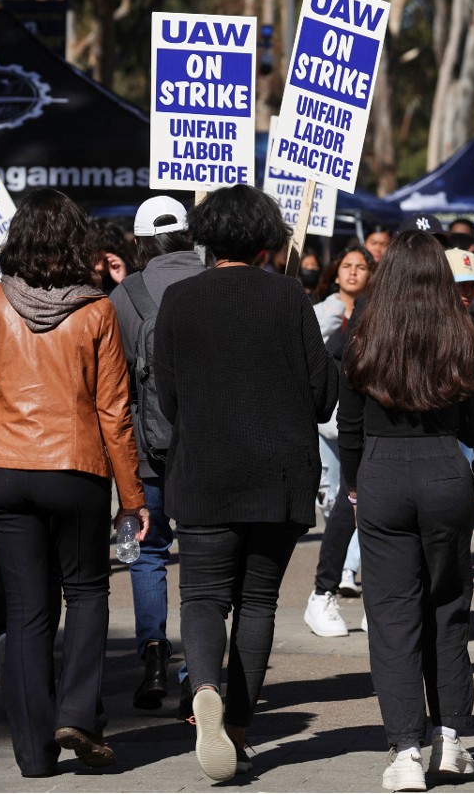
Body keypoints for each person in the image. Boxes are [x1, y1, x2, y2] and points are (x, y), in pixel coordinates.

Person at [0, 188, 147, 776]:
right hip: (74, 468)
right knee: (86, 593)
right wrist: (132, 498)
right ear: (73, 243)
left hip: (0, 471)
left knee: (28, 610)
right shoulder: (97, 310)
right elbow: (115, 411)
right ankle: (78, 714)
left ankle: (34, 755)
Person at [153, 184, 337, 782]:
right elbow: (319, 394)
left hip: (203, 471)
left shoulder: (178, 299)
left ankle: (204, 687)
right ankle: (236, 723)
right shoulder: (289, 296)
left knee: (202, 597)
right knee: (257, 601)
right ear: (265, 238)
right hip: (277, 476)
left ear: (207, 236)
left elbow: (168, 394)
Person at [339, 230, 474, 793]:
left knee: (393, 616)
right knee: (448, 608)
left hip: (382, 470)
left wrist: (356, 482)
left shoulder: (364, 332)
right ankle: (450, 739)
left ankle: (405, 750)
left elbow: (348, 425)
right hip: (445, 466)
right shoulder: (463, 332)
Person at [108, 194, 200, 710]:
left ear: (140, 243)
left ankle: (153, 655)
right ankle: (198, 670)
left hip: (145, 456)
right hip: (210, 454)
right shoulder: (217, 280)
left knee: (143, 551)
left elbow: (113, 389)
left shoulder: (126, 295)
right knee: (204, 561)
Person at [305, 244, 376, 636]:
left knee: (370, 513)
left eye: (360, 266)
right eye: (346, 266)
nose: (353, 272)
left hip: (374, 429)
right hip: (337, 422)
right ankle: (323, 592)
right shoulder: (328, 310)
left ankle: (375, 598)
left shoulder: (381, 307)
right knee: (342, 504)